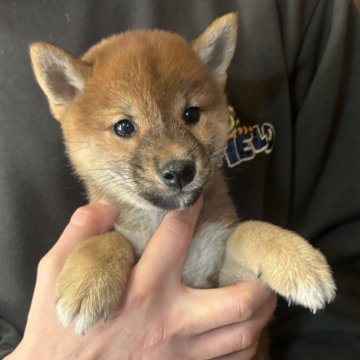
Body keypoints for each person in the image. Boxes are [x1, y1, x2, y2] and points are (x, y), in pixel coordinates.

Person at [0, 0, 359, 359]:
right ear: (65, 91)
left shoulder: (303, 13)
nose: (176, 157)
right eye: (125, 128)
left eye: (190, 115)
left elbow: (234, 257)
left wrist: (268, 247)